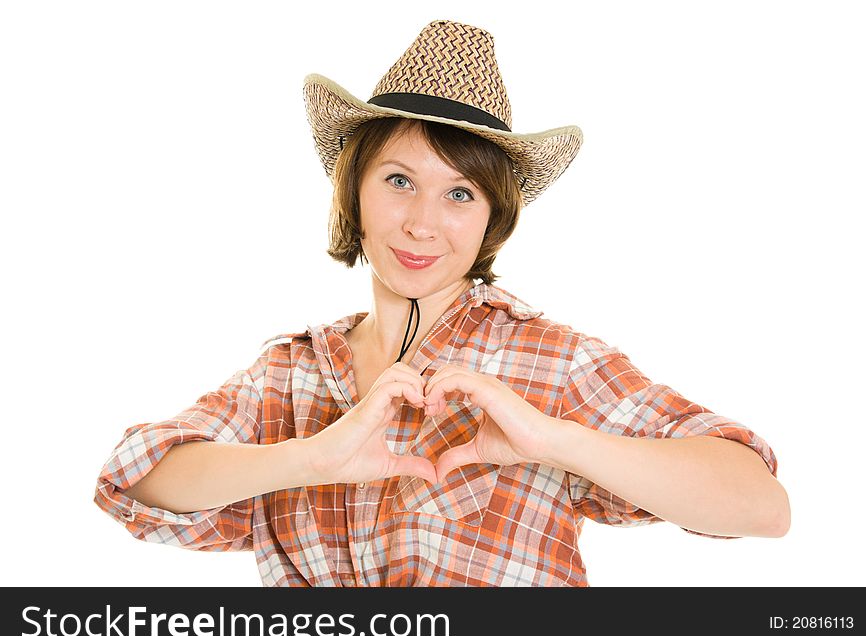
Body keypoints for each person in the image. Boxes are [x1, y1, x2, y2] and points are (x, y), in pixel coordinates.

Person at [93, 20, 789, 587]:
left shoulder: (546, 358)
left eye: (460, 193)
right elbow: (136, 476)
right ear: (354, 191)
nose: (423, 223)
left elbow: (761, 504)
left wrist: (556, 440)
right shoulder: (291, 374)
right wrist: (313, 457)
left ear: (492, 217)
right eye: (399, 179)